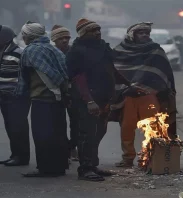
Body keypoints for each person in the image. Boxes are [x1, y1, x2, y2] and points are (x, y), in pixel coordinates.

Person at [66, 18, 131, 181]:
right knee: (86, 134)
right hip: (86, 100)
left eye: (98, 29)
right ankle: (85, 169)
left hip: (103, 98)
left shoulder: (102, 48)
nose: (97, 33)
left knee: (98, 133)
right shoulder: (77, 51)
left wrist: (129, 83)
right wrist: (89, 101)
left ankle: (93, 165)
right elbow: (77, 78)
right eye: (93, 30)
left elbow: (110, 70)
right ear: (83, 33)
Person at [112, 22, 177, 168]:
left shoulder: (155, 50)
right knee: (127, 128)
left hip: (149, 95)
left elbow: (164, 73)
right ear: (132, 35)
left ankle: (155, 158)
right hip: (127, 96)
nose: (145, 35)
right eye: (140, 33)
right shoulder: (119, 51)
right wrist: (125, 87)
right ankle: (127, 158)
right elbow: (113, 72)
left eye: (146, 33)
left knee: (155, 126)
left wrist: (162, 92)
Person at [16, 21, 69, 177]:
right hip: (58, 99)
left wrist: (20, 95)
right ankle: (59, 167)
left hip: (42, 99)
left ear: (29, 36)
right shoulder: (53, 49)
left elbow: (25, 76)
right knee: (58, 134)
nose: (23, 38)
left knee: (42, 135)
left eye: (24, 35)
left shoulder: (31, 51)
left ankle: (45, 168)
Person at [0, 25, 30, 166]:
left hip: (17, 97)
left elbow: (25, 75)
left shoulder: (19, 52)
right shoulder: (2, 53)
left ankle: (22, 157)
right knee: (9, 126)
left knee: (18, 127)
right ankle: (15, 154)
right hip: (4, 97)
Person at [51, 24, 78, 161]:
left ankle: (72, 147)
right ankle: (64, 148)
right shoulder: (50, 53)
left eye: (67, 37)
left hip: (73, 92)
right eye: (61, 38)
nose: (65, 40)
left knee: (76, 123)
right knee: (59, 123)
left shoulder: (74, 52)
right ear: (55, 39)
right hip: (56, 92)